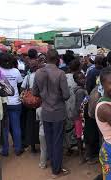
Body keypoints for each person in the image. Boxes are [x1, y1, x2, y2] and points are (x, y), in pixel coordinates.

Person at [32, 49, 70, 179]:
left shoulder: (38, 73)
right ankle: (56, 170)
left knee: (49, 140)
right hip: (58, 112)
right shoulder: (60, 73)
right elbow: (66, 95)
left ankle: (54, 165)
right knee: (57, 141)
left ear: (46, 58)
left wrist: (45, 95)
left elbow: (35, 93)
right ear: (58, 59)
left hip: (46, 111)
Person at [0, 53, 24, 156]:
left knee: (4, 129)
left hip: (3, 104)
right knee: (16, 127)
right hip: (15, 103)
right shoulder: (16, 71)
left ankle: (5, 150)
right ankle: (18, 149)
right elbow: (20, 84)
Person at [21, 58, 40, 153]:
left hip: (30, 105)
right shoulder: (41, 75)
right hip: (40, 103)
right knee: (40, 124)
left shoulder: (27, 77)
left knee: (31, 125)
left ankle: (32, 147)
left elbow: (22, 88)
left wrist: (27, 95)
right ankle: (42, 144)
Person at [73, 72, 88, 163]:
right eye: (80, 79)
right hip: (80, 117)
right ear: (75, 81)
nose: (82, 80)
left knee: (81, 135)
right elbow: (80, 107)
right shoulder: (80, 91)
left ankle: (82, 154)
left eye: (83, 78)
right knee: (80, 136)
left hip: (81, 116)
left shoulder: (82, 89)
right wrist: (82, 116)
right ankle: (81, 155)